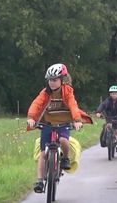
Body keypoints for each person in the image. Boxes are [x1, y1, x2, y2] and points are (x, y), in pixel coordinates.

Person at [27, 63, 92, 193]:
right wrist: (31, 118)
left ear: (62, 80)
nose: (52, 83)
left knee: (63, 141)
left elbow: (73, 105)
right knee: (43, 153)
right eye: (50, 80)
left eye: (55, 80)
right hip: (48, 124)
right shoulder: (45, 92)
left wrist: (77, 120)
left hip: (63, 124)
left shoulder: (67, 91)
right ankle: (40, 180)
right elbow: (36, 104)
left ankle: (65, 158)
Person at [96, 85, 117, 153]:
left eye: (116, 93)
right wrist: (98, 112)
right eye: (113, 93)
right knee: (108, 126)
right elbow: (101, 106)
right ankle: (106, 140)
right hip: (108, 117)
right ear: (110, 94)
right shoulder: (107, 101)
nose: (114, 95)